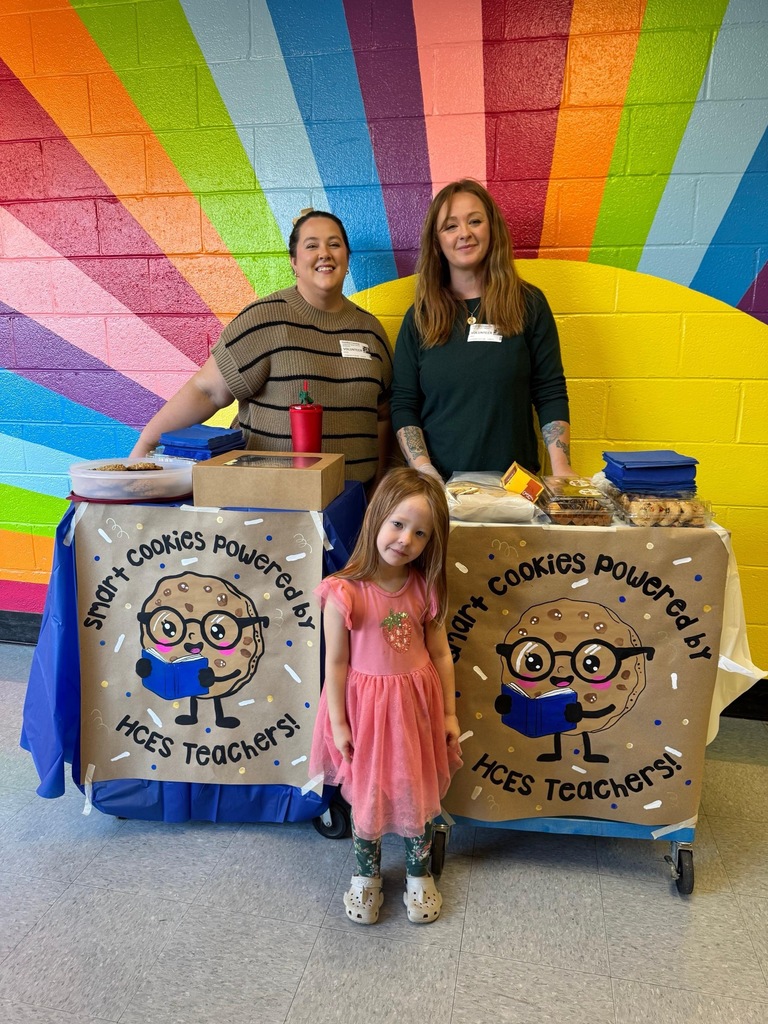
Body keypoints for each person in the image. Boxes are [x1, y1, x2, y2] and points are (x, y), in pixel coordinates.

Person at [130, 210, 394, 490]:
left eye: (334, 244)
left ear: (347, 258)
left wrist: (377, 491)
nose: (324, 253)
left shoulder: (370, 330)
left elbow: (383, 415)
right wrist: (145, 447)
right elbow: (207, 390)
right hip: (272, 500)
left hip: (352, 503)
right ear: (294, 262)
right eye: (311, 245)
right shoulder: (264, 319)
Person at [310, 467, 462, 925]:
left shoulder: (424, 586)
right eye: (398, 524)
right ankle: (366, 876)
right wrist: (339, 723)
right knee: (368, 793)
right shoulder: (344, 592)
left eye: (420, 533)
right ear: (377, 518)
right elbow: (335, 663)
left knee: (416, 787)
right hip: (367, 711)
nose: (405, 540)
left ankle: (419, 875)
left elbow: (441, 653)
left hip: (416, 707)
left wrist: (450, 713)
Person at [391, 179, 573, 482]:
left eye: (475, 221)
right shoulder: (420, 317)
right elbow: (404, 402)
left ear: (492, 229)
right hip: (443, 488)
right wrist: (424, 470)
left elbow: (549, 389)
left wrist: (562, 468)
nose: (465, 233)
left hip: (518, 485)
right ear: (437, 241)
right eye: (450, 226)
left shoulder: (528, 303)